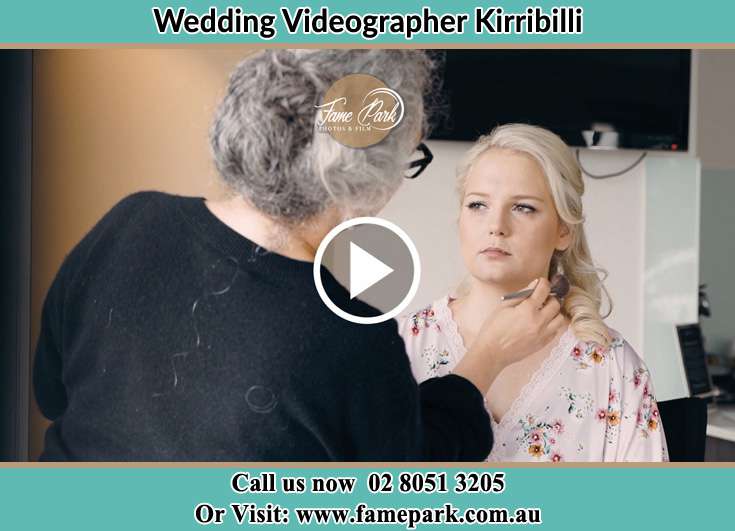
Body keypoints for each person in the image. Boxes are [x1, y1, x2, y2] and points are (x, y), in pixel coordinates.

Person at [32, 51, 564, 461]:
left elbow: (52, 394)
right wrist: (487, 358)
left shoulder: (130, 220)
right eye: (410, 157)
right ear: (359, 174)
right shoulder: (346, 333)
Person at [400, 124, 669, 462]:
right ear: (460, 220)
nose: (496, 225)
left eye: (523, 207)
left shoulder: (611, 367)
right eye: (477, 205)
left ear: (563, 232)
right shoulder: (400, 346)